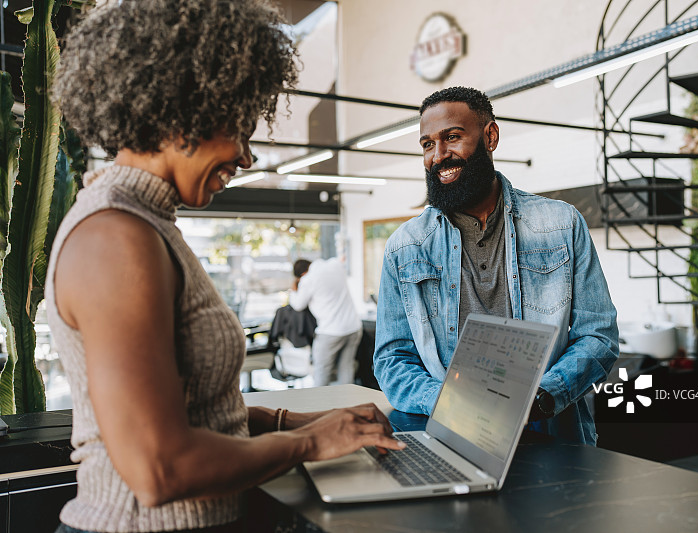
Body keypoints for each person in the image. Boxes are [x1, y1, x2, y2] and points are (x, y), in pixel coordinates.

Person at [46, 2, 403, 532]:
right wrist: (309, 442)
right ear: (182, 108)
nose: (247, 156)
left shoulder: (147, 223)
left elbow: (202, 415)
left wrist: (305, 421)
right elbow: (158, 469)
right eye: (240, 126)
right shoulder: (115, 238)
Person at [373, 86, 619, 446]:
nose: (439, 155)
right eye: (427, 144)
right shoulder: (405, 247)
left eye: (452, 138)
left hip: (553, 430)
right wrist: (449, 402)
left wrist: (540, 397)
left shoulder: (561, 224)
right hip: (451, 431)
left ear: (490, 136)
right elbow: (393, 359)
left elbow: (598, 336)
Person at [289, 258, 363, 386]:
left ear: (301, 275)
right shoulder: (335, 264)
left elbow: (298, 304)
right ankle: (348, 403)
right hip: (353, 327)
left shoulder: (308, 279)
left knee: (322, 372)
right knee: (346, 368)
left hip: (330, 331)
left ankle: (319, 405)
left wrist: (293, 290)